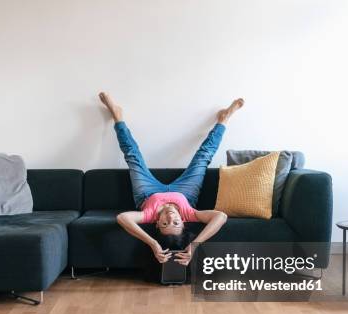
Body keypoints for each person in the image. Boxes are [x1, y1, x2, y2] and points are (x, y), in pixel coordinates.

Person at [99, 92, 244, 266]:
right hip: (185, 192)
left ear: (158, 225)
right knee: (203, 157)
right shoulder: (189, 214)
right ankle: (223, 119)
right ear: (183, 222)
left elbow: (122, 218)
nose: (170, 216)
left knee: (132, 156)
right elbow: (220, 216)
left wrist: (153, 243)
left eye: (166, 223)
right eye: (175, 222)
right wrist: (194, 246)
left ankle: (117, 116)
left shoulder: (148, 216)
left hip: (147, 192)